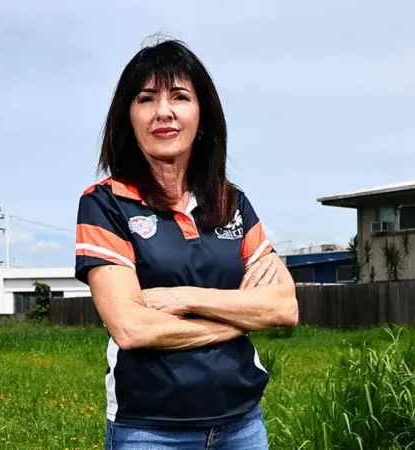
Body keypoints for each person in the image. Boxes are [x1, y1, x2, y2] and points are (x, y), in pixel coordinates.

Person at [74, 38, 299, 450]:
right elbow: (131, 328)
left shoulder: (231, 203)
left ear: (202, 115)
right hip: (149, 431)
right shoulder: (104, 204)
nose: (163, 112)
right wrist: (240, 319)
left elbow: (283, 307)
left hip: (243, 425)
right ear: (128, 117)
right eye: (146, 99)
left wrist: (184, 297)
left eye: (179, 96)